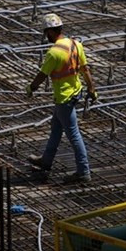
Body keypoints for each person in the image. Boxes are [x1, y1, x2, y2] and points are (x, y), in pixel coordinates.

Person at [25, 13, 98, 183]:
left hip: (64, 98)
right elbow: (85, 69)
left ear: (50, 32)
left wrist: (31, 88)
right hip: (75, 92)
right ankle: (46, 161)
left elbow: (42, 75)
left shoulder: (54, 53)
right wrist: (92, 89)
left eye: (46, 33)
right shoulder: (75, 44)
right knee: (56, 129)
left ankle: (83, 171)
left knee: (73, 134)